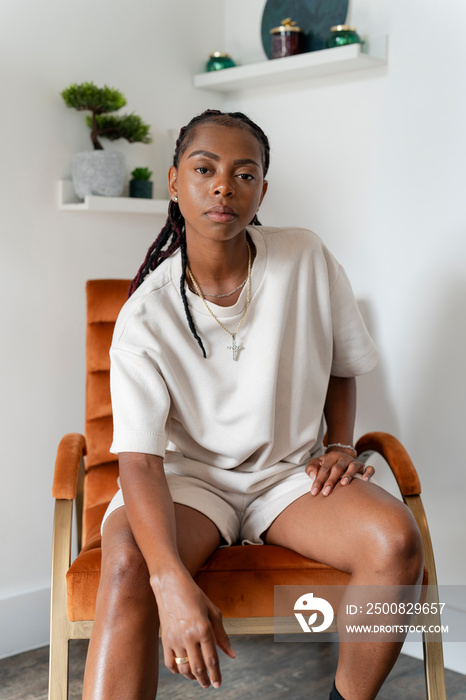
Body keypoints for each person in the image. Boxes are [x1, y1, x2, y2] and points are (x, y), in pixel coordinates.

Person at [82, 109, 424, 700]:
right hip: (189, 483)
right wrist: (169, 582)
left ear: (261, 190)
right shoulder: (146, 314)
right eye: (205, 168)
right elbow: (140, 461)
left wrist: (340, 444)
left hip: (289, 477)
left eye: (244, 174)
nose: (223, 186)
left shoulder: (306, 258)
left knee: (395, 540)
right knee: (128, 565)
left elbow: (344, 367)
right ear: (173, 183)